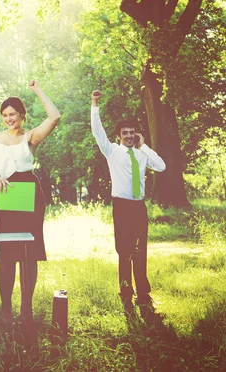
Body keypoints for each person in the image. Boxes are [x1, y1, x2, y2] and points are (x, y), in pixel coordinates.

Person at [0, 80, 61, 333]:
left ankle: (26, 308)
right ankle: (6, 309)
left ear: (22, 115)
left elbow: (55, 116)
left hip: (30, 194)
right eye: (4, 115)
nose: (8, 119)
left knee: (28, 255)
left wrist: (37, 89)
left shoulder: (30, 137)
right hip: (4, 194)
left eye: (12, 114)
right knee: (7, 256)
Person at [90, 90, 166, 313]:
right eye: (125, 133)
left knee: (140, 250)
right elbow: (97, 131)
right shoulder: (112, 151)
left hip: (138, 208)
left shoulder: (142, 153)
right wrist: (94, 104)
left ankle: (143, 293)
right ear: (119, 136)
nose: (129, 135)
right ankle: (125, 293)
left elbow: (161, 166)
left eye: (132, 132)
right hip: (122, 207)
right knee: (124, 252)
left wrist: (144, 146)